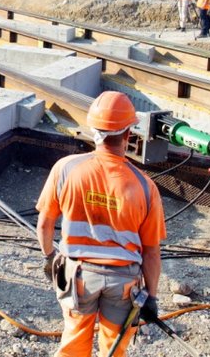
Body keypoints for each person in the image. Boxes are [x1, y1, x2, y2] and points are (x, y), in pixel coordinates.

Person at [36, 91, 166, 357]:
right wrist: (151, 297)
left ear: (93, 131)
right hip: (124, 283)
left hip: (80, 276)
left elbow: (45, 224)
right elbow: (152, 251)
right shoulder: (145, 186)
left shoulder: (66, 169)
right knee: (114, 349)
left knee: (74, 344)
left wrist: (50, 257)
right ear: (129, 134)